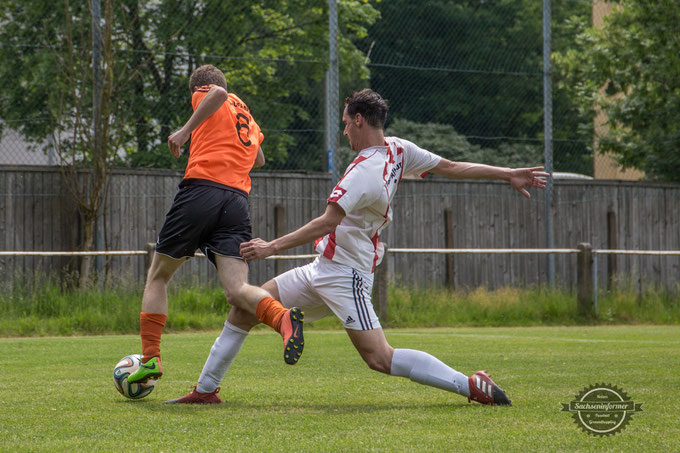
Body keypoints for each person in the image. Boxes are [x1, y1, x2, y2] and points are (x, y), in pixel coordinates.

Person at [166, 88, 548, 405]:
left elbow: (327, 221)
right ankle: (205, 390)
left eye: (346, 123)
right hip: (322, 267)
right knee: (245, 306)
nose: (345, 131)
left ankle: (471, 385)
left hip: (346, 276)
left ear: (360, 120)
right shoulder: (398, 149)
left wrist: (271, 247)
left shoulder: (363, 172)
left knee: (379, 358)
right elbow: (451, 166)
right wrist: (506, 173)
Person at [128, 65, 305, 384]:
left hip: (201, 190)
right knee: (237, 290)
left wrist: (185, 131)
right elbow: (260, 158)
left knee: (157, 276)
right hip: (236, 202)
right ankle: (282, 319)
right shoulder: (246, 115)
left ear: (199, 89)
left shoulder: (210, 93)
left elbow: (218, 93)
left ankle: (151, 359)